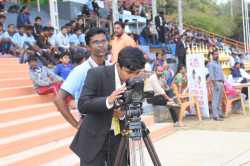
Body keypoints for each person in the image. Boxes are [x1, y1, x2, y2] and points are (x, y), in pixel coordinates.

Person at [72, 47, 144, 165]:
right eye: (129, 72)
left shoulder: (138, 82)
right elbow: (83, 105)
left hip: (118, 137)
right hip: (93, 138)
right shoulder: (96, 74)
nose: (133, 77)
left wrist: (123, 113)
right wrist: (108, 101)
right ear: (118, 66)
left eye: (137, 73)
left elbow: (138, 107)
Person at [54, 27, 111, 130]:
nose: (101, 45)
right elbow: (58, 99)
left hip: (112, 121)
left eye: (104, 41)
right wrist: (75, 124)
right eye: (96, 42)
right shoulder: (80, 71)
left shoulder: (112, 67)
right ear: (88, 47)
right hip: (92, 122)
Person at [208, 50, 229, 121]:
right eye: (215, 54)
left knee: (220, 100)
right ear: (212, 55)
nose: (216, 55)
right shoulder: (211, 64)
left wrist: (224, 83)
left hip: (220, 82)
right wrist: (215, 84)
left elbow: (221, 74)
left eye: (217, 54)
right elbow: (211, 75)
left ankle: (219, 114)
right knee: (215, 100)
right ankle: (215, 116)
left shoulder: (218, 63)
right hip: (215, 82)